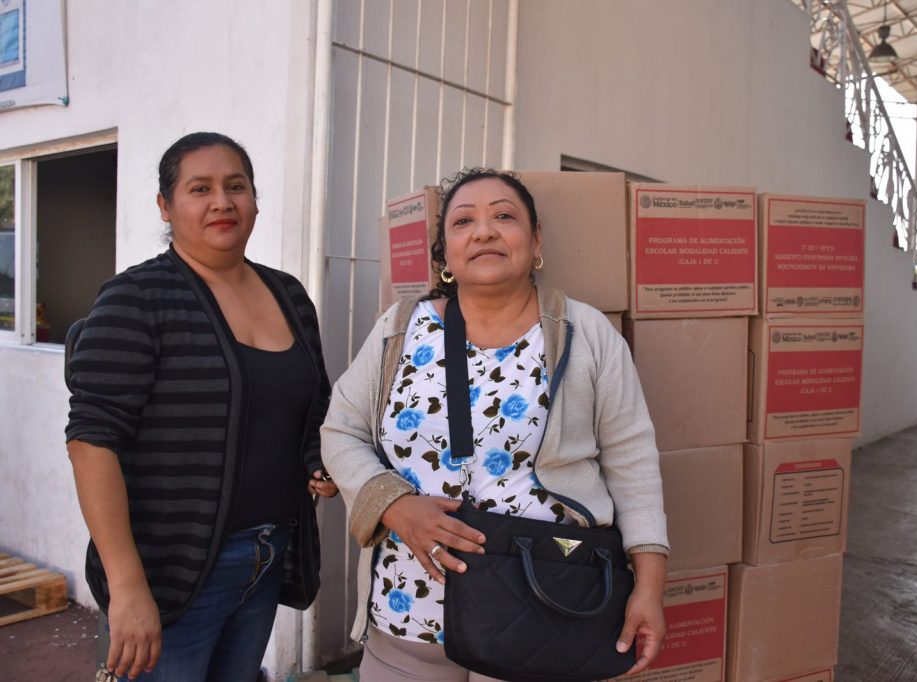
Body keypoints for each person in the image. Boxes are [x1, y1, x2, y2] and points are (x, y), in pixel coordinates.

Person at [321, 168, 668, 680]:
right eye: (464, 221)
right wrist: (394, 506)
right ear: (445, 252)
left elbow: (632, 465)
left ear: (536, 240)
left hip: (544, 616)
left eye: (504, 216)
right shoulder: (399, 329)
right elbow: (340, 431)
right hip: (408, 614)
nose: (484, 231)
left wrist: (649, 588)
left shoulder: (586, 334)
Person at [66, 132, 338, 681]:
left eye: (236, 186)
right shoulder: (136, 298)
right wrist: (127, 587)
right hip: (170, 572)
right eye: (200, 189)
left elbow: (312, 405)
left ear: (255, 200)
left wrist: (317, 459)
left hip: (266, 554)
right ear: (166, 206)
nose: (222, 202)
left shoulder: (289, 295)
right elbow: (92, 443)